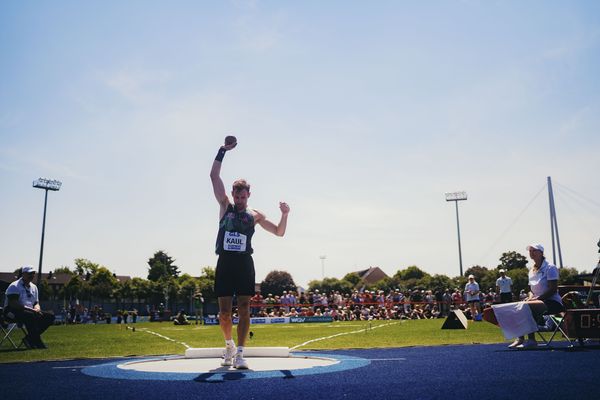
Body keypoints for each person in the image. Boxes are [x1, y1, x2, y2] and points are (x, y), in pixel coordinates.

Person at [210, 137, 290, 369]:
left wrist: (284, 215)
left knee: (244, 308)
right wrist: (222, 150)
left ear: (248, 195)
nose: (240, 199)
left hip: (244, 263)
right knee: (224, 314)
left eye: (243, 196)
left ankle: (241, 354)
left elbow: (278, 232)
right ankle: (229, 347)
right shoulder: (225, 206)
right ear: (233, 195)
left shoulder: (255, 215)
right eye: (237, 196)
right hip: (225, 262)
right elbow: (214, 177)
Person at [508, 243, 564, 349]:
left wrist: (537, 299)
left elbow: (553, 289)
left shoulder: (550, 267)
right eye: (530, 251)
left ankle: (531, 340)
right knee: (520, 305)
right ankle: (520, 338)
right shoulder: (531, 271)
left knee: (526, 307)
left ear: (541, 253)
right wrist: (530, 297)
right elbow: (531, 290)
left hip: (553, 302)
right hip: (537, 301)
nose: (531, 253)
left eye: (534, 250)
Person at [3, 266, 55, 348]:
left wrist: (37, 308)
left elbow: (36, 302)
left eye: (33, 273)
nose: (32, 275)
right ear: (23, 274)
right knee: (29, 315)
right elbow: (14, 304)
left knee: (50, 316)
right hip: (11, 312)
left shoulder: (34, 287)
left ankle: (29, 338)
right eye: (29, 273)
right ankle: (37, 342)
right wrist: (32, 310)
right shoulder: (14, 286)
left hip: (29, 311)